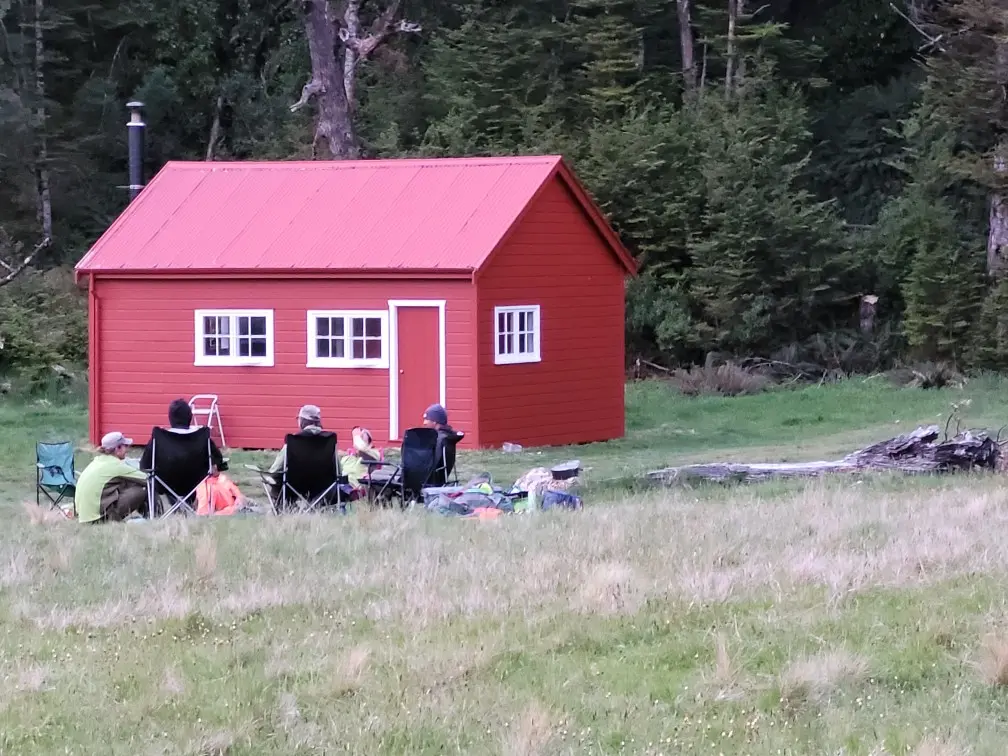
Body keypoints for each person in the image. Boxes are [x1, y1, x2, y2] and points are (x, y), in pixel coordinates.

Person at [266, 404, 339, 503]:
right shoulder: (329, 441)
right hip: (323, 489)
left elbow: (274, 470)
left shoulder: (293, 441)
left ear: (302, 421)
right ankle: (318, 506)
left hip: (293, 487)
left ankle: (284, 508)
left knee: (272, 479)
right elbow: (339, 471)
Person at [74, 432, 149, 523]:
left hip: (83, 517)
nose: (127, 449)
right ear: (117, 448)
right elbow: (148, 479)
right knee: (142, 489)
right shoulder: (115, 465)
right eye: (125, 446)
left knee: (125, 483)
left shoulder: (98, 461)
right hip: (97, 519)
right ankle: (153, 516)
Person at [139, 398, 227, 472]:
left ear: (170, 418)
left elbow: (144, 465)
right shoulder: (202, 438)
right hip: (197, 485)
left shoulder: (159, 438)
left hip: (164, 485)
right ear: (190, 417)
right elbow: (219, 461)